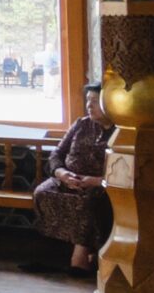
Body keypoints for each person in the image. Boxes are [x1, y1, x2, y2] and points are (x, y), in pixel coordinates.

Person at [31, 82, 113, 272]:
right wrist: (62, 173)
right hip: (67, 179)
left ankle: (81, 256)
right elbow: (56, 154)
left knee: (89, 202)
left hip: (98, 185)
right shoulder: (81, 124)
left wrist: (96, 181)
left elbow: (124, 170)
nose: (89, 105)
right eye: (88, 100)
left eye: (95, 101)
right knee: (42, 193)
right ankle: (56, 253)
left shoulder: (120, 133)